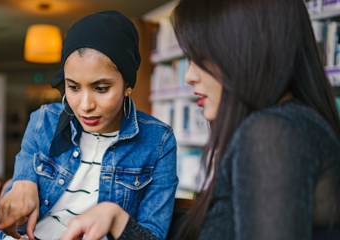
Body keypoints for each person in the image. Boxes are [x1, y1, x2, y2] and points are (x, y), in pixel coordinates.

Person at [60, 0, 340, 239]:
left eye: (199, 57)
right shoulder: (291, 126)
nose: (189, 75)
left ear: (244, 49)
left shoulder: (273, 133)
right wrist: (117, 219)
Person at [0, 10, 178, 240]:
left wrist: (116, 218)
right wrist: (22, 183)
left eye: (101, 88)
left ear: (127, 84)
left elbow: (151, 237)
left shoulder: (159, 141)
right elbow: (21, 181)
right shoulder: (43, 120)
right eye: (74, 87)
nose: (85, 106)